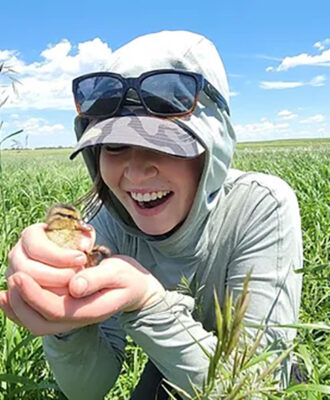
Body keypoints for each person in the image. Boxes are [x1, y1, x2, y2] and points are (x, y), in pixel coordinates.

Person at [0, 30, 303, 400]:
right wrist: (64, 318)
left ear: (214, 149)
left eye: (165, 145)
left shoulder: (261, 206)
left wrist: (147, 301)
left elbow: (259, 388)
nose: (136, 172)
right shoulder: (102, 227)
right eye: (114, 145)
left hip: (256, 367)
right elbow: (88, 389)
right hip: (173, 357)